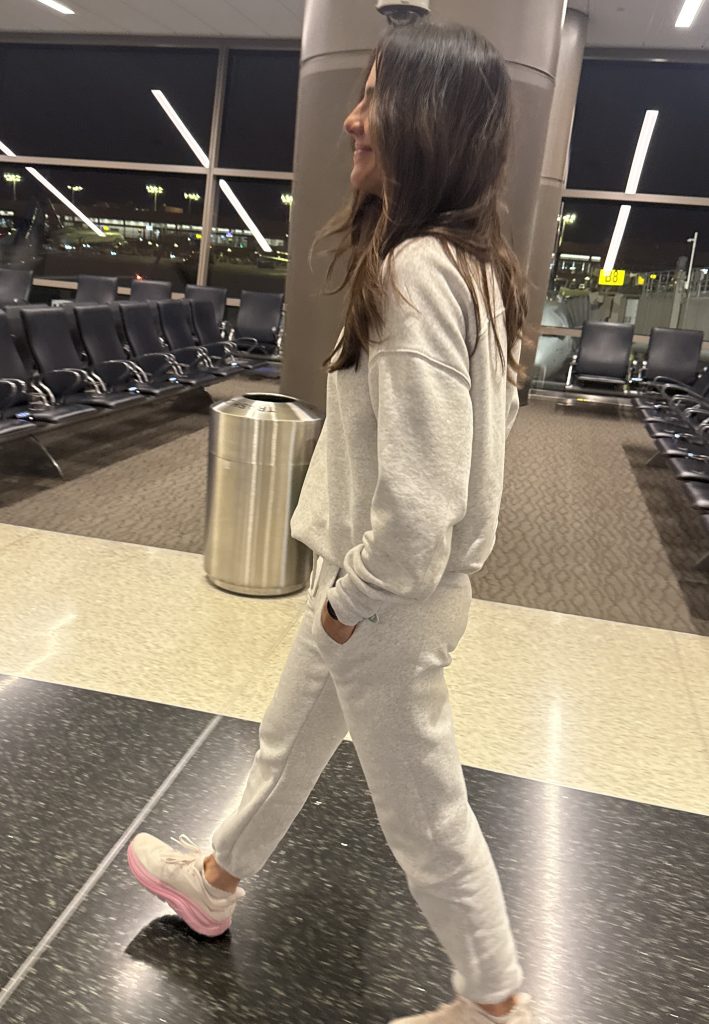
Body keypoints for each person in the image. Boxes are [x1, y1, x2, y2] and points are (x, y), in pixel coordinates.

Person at [128, 21, 532, 1024]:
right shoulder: (477, 268)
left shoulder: (418, 273)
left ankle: (495, 1003)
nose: (352, 119)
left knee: (426, 814)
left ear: (424, 122)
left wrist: (352, 603)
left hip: (385, 597)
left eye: (373, 98)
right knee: (288, 738)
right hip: (376, 589)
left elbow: (423, 502)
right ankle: (214, 882)